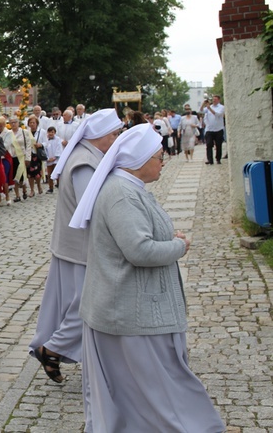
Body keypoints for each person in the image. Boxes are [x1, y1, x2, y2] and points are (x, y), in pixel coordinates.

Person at [69, 123, 225, 432]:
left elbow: (141, 235)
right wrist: (178, 246)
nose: (164, 158)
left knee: (147, 388)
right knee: (157, 387)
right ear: (139, 162)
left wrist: (168, 237)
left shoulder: (130, 189)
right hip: (129, 312)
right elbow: (139, 250)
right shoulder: (122, 195)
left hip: (132, 309)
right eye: (158, 155)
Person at [27, 109, 123, 383]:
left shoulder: (88, 155)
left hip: (77, 246)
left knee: (76, 304)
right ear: (100, 135)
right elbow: (91, 207)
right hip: (81, 247)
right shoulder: (84, 161)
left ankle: (56, 350)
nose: (116, 138)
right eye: (114, 134)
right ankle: (52, 348)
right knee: (87, 305)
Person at [9, 116, 32, 201]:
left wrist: (28, 158)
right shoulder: (9, 133)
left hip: (22, 157)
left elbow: (28, 145)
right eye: (11, 122)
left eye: (15, 122)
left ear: (18, 123)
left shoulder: (24, 132)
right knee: (14, 176)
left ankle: (24, 190)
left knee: (22, 175)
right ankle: (17, 195)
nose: (13, 124)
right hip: (13, 157)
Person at [202, 95, 225, 164]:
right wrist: (203, 104)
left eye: (215, 99)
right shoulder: (209, 107)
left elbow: (217, 114)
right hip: (209, 129)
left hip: (218, 129)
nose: (214, 100)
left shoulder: (221, 107)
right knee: (208, 144)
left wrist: (210, 109)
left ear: (218, 100)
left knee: (218, 145)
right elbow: (200, 111)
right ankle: (210, 159)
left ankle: (218, 158)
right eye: (213, 99)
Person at [27, 115, 46, 196]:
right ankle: (32, 190)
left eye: (33, 123)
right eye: (30, 123)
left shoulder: (42, 131)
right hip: (29, 154)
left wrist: (41, 144)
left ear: (37, 123)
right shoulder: (26, 132)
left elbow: (46, 142)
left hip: (37, 155)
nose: (32, 124)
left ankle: (39, 186)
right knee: (30, 174)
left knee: (37, 174)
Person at [43, 126, 63, 193]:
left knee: (57, 173)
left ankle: (59, 185)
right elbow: (44, 149)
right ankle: (50, 187)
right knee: (49, 174)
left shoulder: (58, 139)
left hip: (56, 160)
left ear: (54, 133)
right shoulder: (46, 140)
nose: (51, 133)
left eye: (52, 132)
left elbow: (59, 148)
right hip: (49, 160)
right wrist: (47, 158)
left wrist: (55, 157)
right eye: (49, 132)